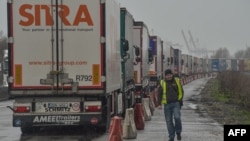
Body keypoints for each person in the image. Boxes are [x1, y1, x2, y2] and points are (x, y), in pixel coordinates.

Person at [157, 69, 184, 141]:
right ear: (165, 76)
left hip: (176, 103)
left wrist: (180, 101)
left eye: (170, 75)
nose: (169, 76)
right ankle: (171, 137)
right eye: (167, 75)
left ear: (172, 75)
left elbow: (181, 91)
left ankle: (178, 132)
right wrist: (159, 104)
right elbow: (159, 93)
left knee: (177, 118)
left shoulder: (177, 81)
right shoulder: (162, 82)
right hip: (167, 105)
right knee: (169, 121)